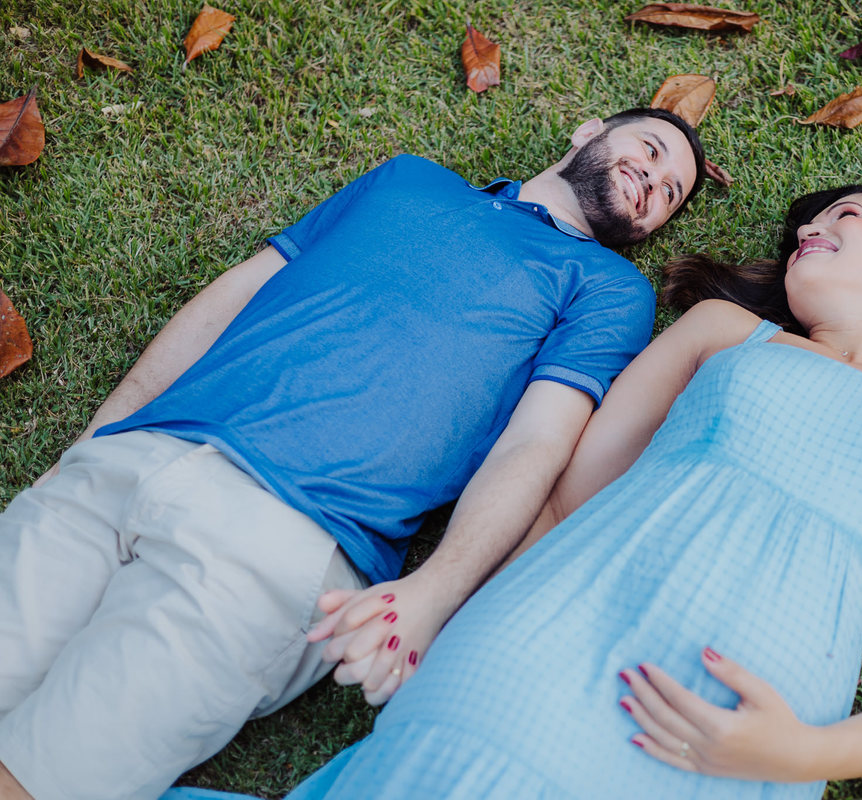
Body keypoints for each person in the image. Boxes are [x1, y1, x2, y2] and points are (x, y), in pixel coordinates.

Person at [167, 183, 862, 800]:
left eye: (840, 217)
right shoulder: (729, 331)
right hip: (536, 653)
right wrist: (437, 602)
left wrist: (802, 752)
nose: (807, 228)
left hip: (737, 743)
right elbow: (566, 499)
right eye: (802, 225)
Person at [0, 108, 706, 800]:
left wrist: (434, 593)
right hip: (127, 465)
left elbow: (537, 445)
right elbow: (235, 296)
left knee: (38, 778)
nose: (654, 178)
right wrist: (97, 437)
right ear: (589, 131)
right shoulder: (408, 179)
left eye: (670, 193)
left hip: (281, 546)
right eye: (651, 147)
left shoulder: (608, 289)